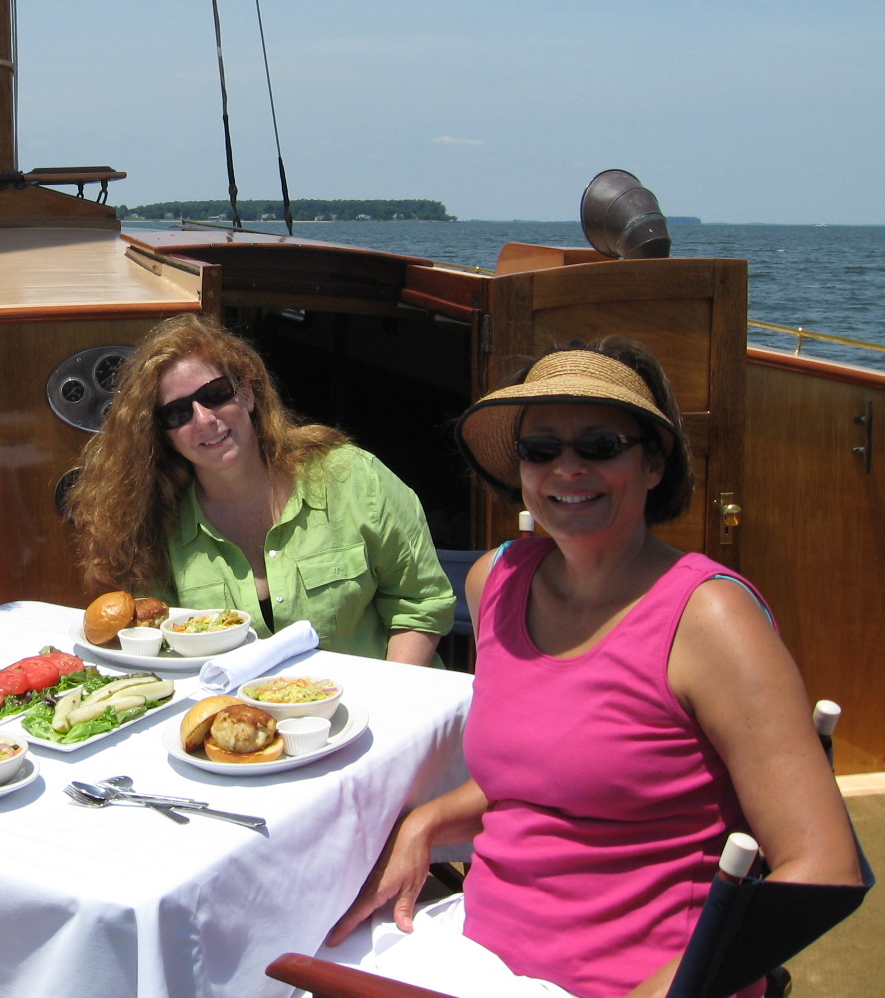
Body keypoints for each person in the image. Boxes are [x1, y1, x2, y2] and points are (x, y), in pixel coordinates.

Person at [326, 338, 861, 998]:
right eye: (541, 449)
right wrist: (426, 823)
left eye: (599, 447)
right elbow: (539, 781)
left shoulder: (711, 619)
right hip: (474, 956)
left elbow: (823, 868)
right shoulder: (495, 583)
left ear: (653, 464)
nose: (566, 469)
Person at [69, 314, 453, 663]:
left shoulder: (353, 477)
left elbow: (420, 604)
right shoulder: (158, 529)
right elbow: (160, 648)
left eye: (215, 394)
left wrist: (385, 705)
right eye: (177, 413)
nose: (203, 419)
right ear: (164, 436)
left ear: (247, 393)